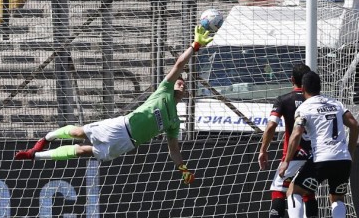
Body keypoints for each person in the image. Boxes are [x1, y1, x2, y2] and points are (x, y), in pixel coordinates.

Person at [14, 25, 214, 185]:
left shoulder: (173, 121)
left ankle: (36, 156)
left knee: (83, 151)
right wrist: (194, 46)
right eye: (180, 80)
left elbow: (174, 149)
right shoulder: (163, 91)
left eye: (184, 84)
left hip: (126, 144)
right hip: (121, 126)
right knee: (78, 133)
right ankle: (45, 139)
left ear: (185, 93)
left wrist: (182, 168)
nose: (181, 81)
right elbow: (179, 65)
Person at [279, 71, 359, 218]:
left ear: (302, 88)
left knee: (293, 191)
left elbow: (296, 134)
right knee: (337, 198)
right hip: (343, 159)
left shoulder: (304, 108)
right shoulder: (336, 103)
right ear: (320, 87)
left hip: (321, 159)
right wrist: (350, 151)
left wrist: (286, 161)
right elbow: (354, 125)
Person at [258, 64, 318, 218]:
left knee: (278, 190)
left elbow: (271, 125)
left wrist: (263, 150)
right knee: (307, 192)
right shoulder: (317, 102)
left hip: (292, 156)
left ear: (292, 79)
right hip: (314, 157)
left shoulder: (284, 100)